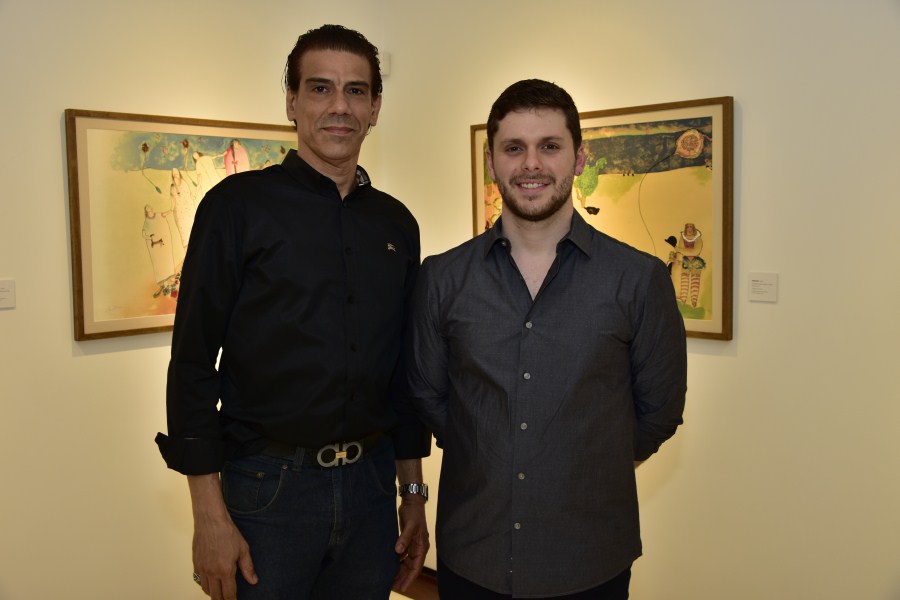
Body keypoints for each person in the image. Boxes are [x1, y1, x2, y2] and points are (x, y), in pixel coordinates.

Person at [155, 24, 431, 600]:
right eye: (320, 88)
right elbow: (192, 365)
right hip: (267, 492)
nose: (339, 106)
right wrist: (209, 516)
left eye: (356, 91)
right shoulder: (236, 208)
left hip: (372, 490)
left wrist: (412, 497)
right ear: (292, 101)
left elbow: (404, 375)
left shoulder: (396, 224)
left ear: (376, 108)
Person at [407, 79, 687, 600]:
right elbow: (429, 397)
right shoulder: (443, 278)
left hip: (590, 560)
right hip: (474, 556)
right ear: (491, 161)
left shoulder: (638, 279)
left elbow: (659, 412)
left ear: (579, 158)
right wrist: (490, 445)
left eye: (549, 146)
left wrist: (584, 462)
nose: (531, 164)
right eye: (514, 148)